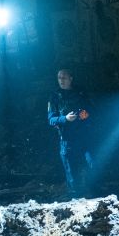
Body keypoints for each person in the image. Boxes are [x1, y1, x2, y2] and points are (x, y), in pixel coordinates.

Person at [47, 68, 94, 198]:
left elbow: (90, 111)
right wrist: (65, 119)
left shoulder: (80, 92)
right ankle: (76, 196)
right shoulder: (55, 96)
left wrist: (82, 115)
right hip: (67, 138)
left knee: (91, 163)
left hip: (84, 136)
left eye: (64, 77)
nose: (61, 80)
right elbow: (51, 119)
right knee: (71, 169)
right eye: (59, 78)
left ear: (71, 78)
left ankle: (94, 191)